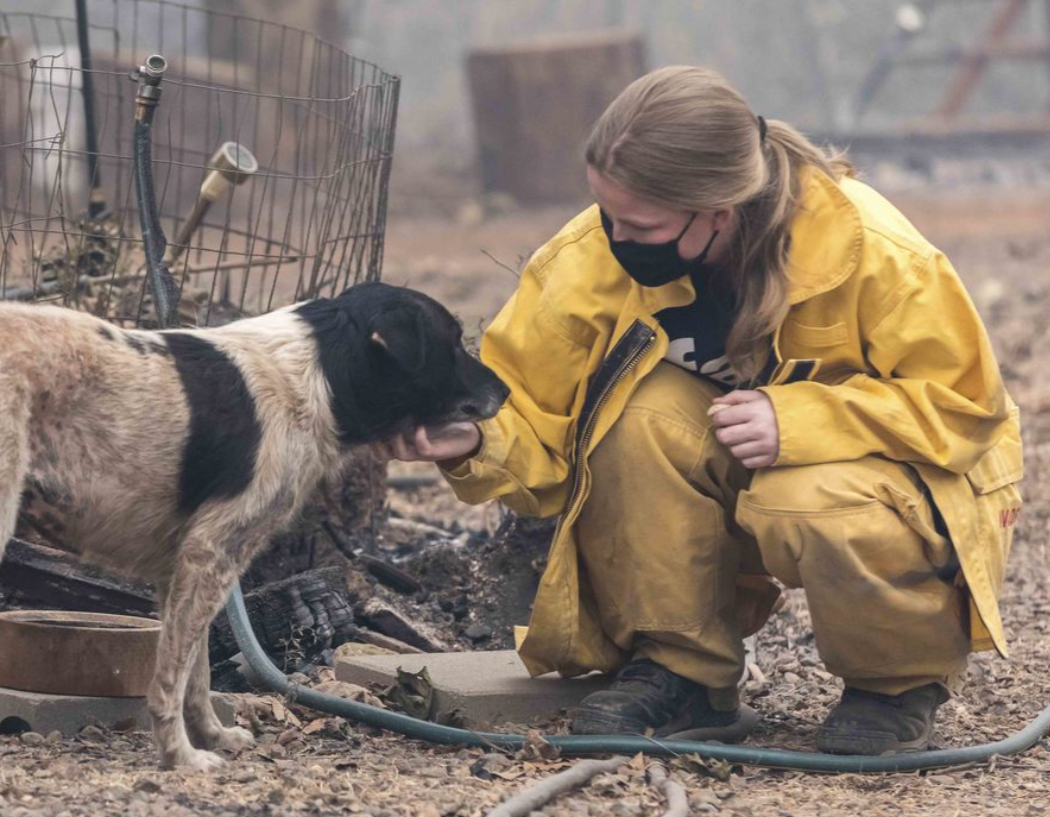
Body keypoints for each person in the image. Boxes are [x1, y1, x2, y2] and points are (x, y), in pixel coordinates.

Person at [379, 66, 1024, 754]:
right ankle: (683, 672)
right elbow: (531, 414)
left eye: (640, 223)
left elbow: (962, 407)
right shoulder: (588, 258)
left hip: (883, 482)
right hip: (737, 465)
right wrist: (470, 440)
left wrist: (799, 421)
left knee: (804, 496)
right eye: (605, 211)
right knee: (638, 418)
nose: (615, 235)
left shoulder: (873, 250)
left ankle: (894, 683)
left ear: (718, 210)